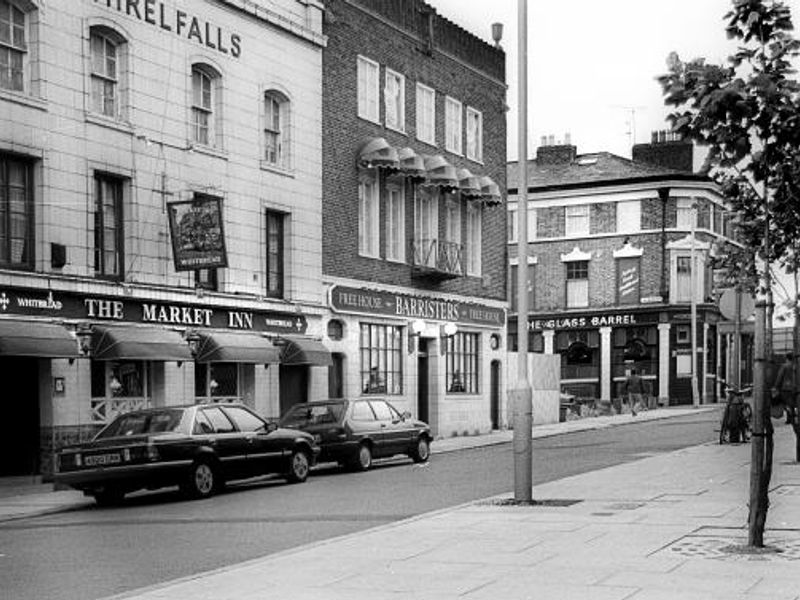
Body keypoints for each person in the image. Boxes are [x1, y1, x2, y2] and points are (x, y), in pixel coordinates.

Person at [772, 353, 797, 425]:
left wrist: (776, 386)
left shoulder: (784, 366)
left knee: (786, 404)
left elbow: (780, 377)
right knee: (792, 403)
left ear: (787, 358)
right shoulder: (796, 366)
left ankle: (790, 417)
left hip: (786, 388)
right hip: (795, 388)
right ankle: (792, 416)